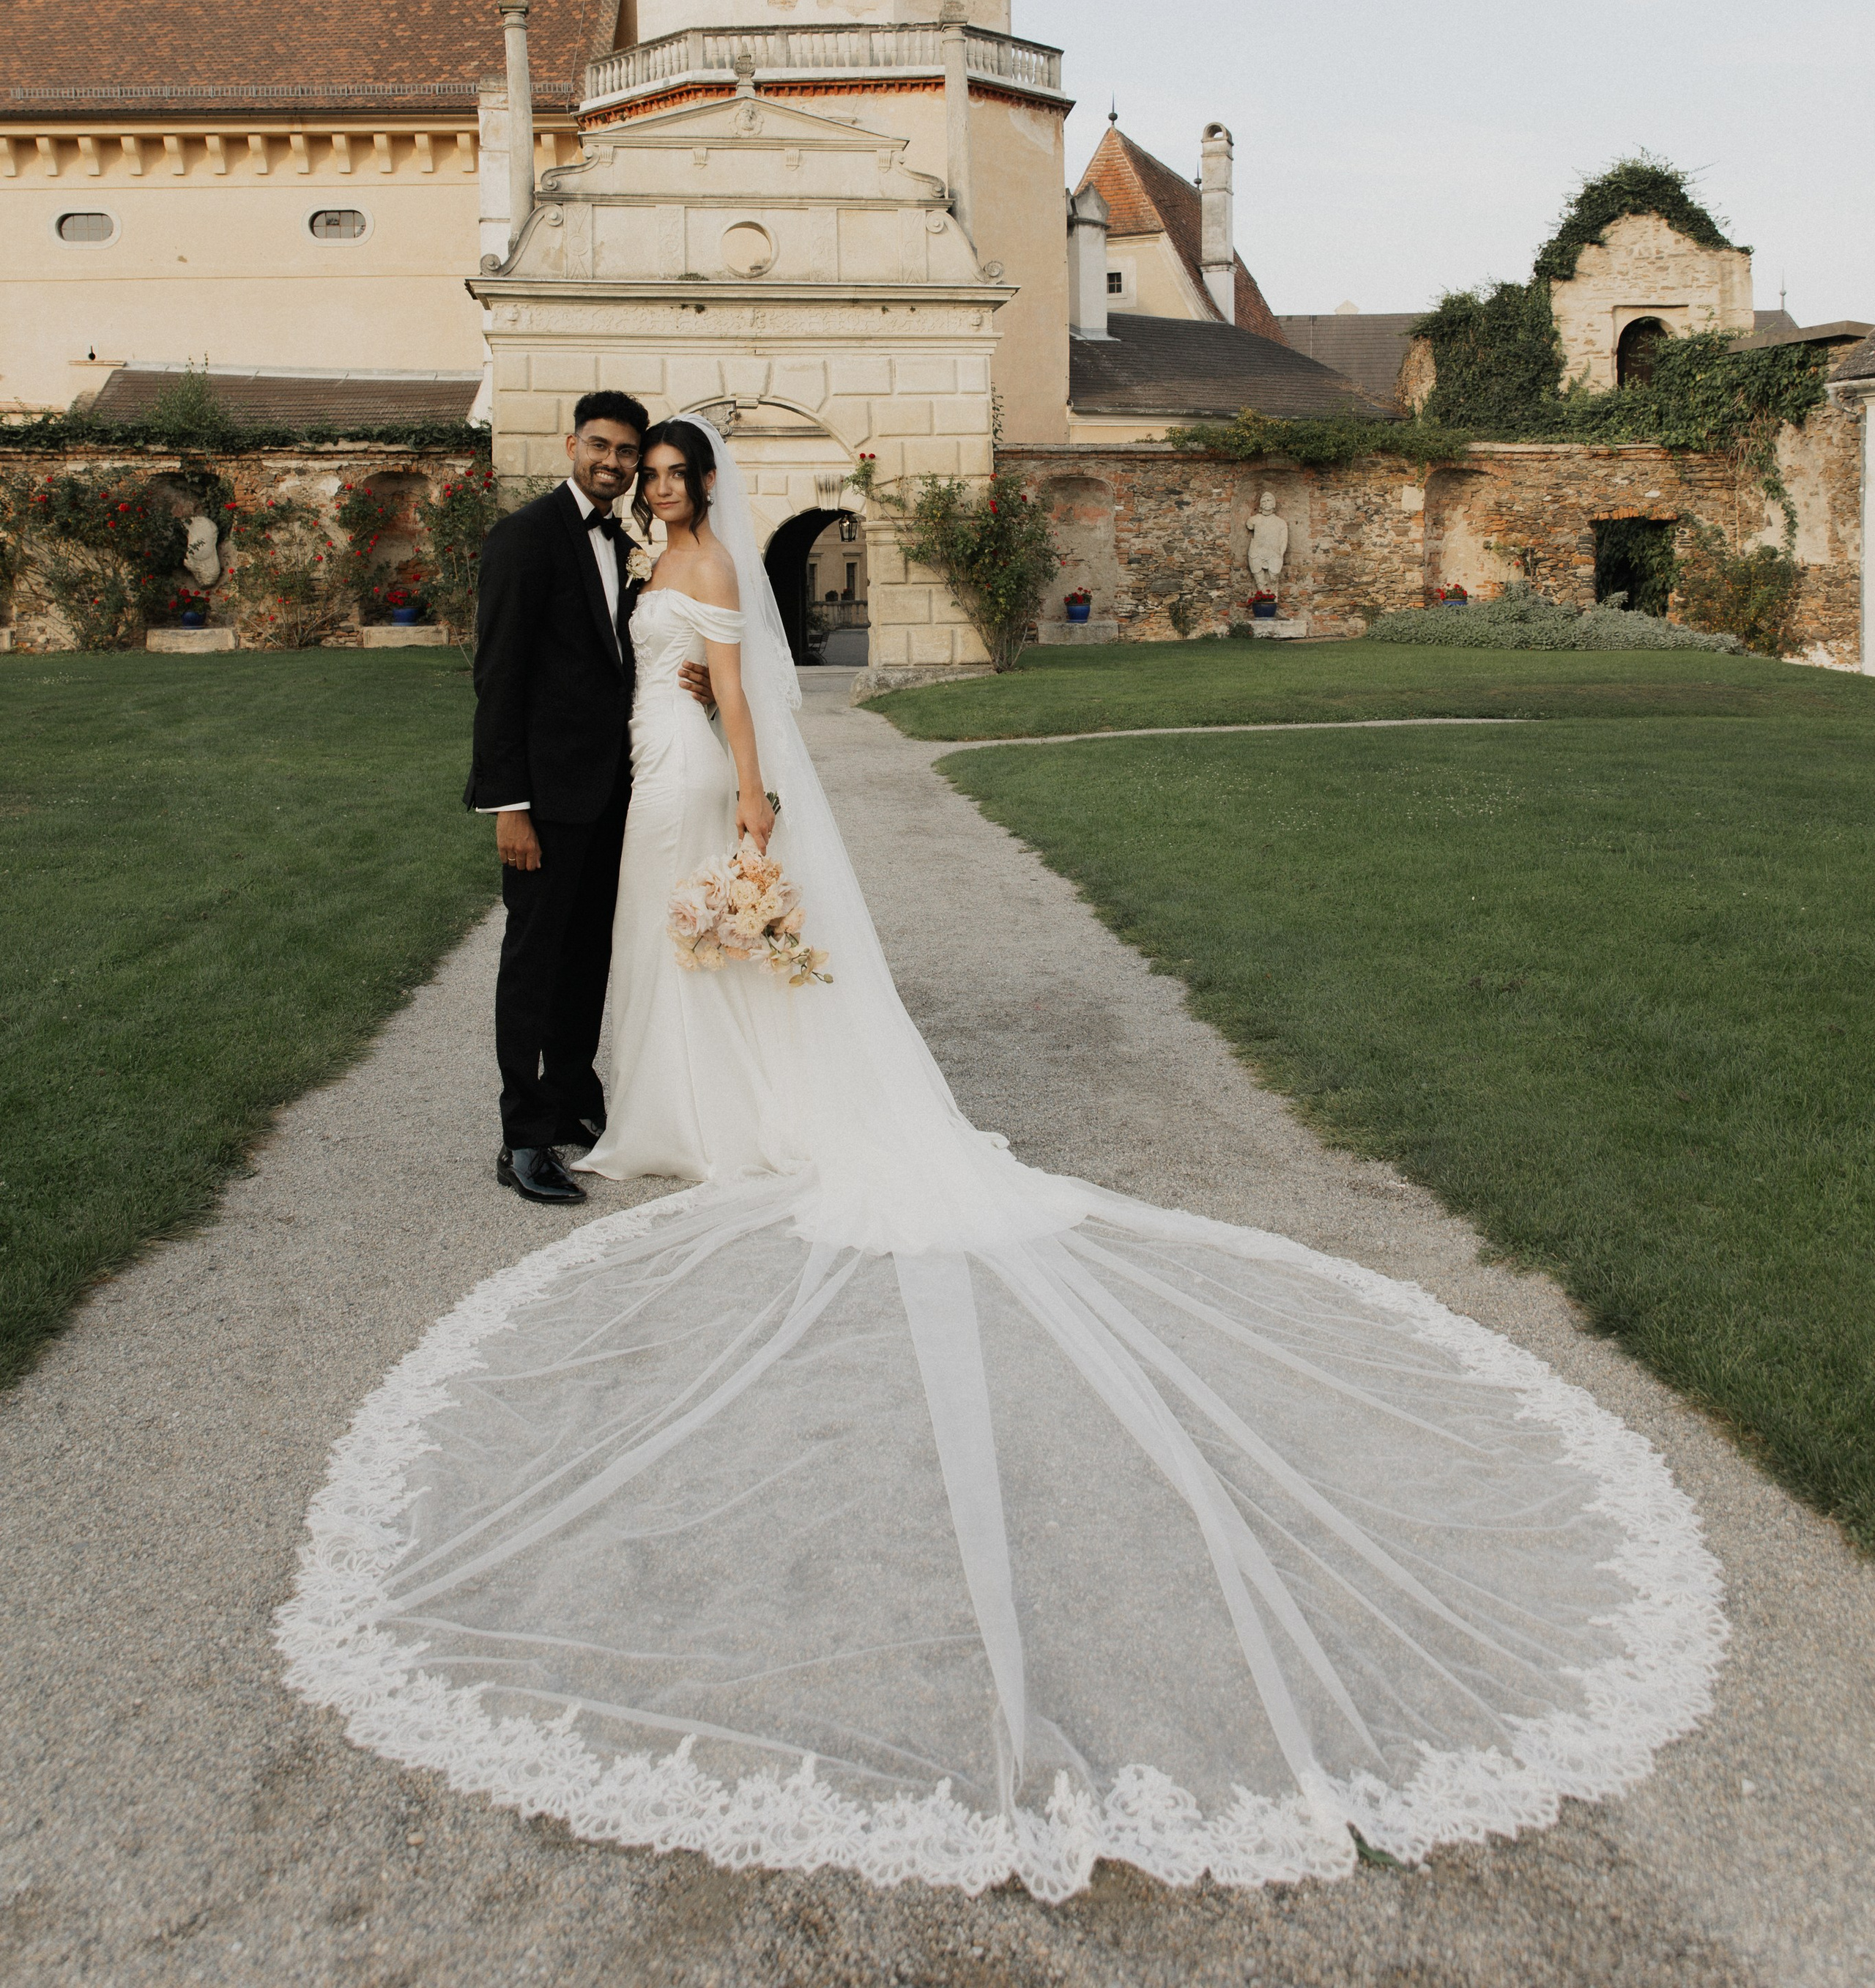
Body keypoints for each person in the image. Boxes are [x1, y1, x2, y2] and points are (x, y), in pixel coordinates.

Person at [286, 417, 1722, 1905]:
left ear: (687, 483)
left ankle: (637, 1112)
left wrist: (752, 782)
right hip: (613, 786)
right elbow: (519, 674)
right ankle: (551, 1116)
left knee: (656, 960)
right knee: (569, 962)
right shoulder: (563, 545)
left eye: (650, 467)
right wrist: (507, 797)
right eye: (621, 462)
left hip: (687, 775)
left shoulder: (683, 553)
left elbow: (735, 682)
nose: (636, 481)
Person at [464, 390, 710, 1203]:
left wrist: (694, 678)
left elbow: (611, 658)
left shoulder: (627, 539)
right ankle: (523, 1137)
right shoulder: (524, 538)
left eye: (626, 452)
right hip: (545, 797)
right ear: (571, 443)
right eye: (599, 446)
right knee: (535, 963)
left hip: (618, 791)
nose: (613, 462)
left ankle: (572, 1100)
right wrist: (508, 805)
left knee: (587, 960)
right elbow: (497, 680)